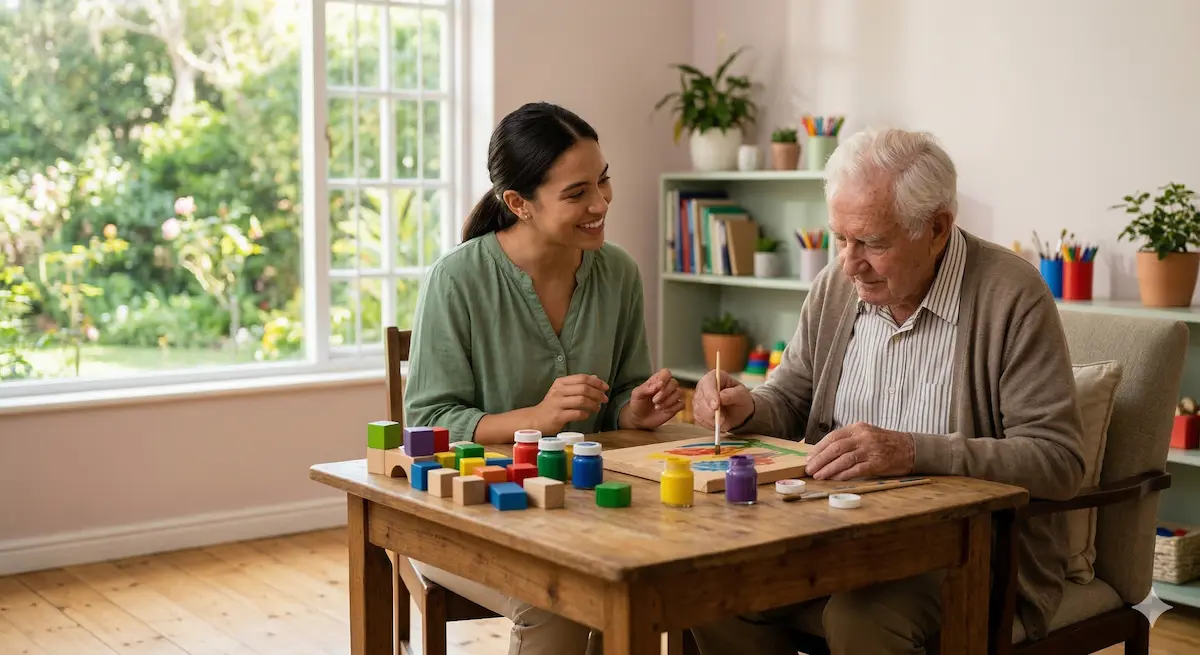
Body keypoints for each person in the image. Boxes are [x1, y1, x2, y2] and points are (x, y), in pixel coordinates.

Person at [688, 127, 1086, 654]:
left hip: (966, 550)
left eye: (873, 243)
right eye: (841, 238)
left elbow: (1058, 461)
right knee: (711, 588)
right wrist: (746, 408)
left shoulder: (1011, 295)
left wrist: (912, 451)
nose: (850, 263)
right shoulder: (836, 284)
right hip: (826, 531)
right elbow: (790, 400)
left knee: (864, 618)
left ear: (938, 228)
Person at [403, 101, 684, 654]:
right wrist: (533, 419)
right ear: (518, 203)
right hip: (468, 515)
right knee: (560, 602)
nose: (601, 204)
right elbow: (427, 422)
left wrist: (634, 411)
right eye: (577, 193)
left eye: (603, 182)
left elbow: (624, 391)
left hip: (585, 509)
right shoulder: (457, 280)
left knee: (658, 580)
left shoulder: (619, 273)